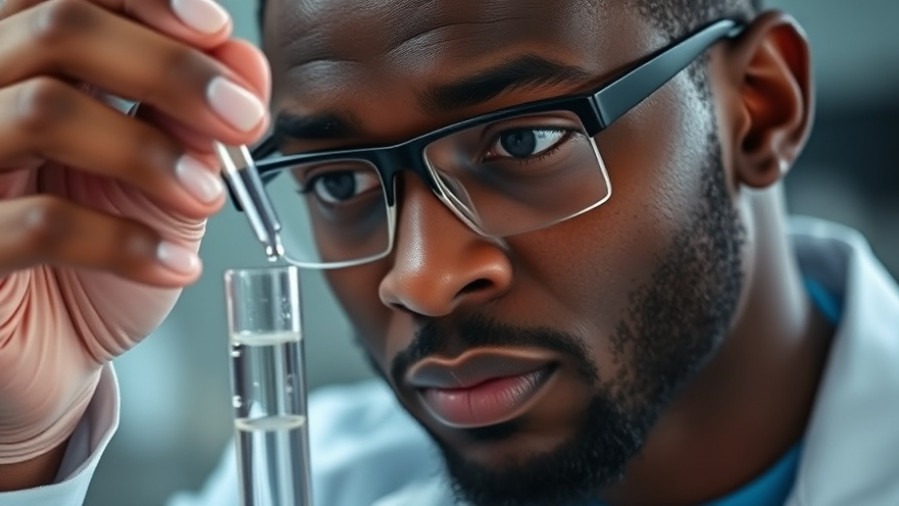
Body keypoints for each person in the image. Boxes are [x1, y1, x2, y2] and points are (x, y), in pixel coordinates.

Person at [0, 0, 897, 504]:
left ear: (759, 109)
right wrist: (25, 450)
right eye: (338, 182)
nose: (421, 281)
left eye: (523, 142)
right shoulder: (319, 483)